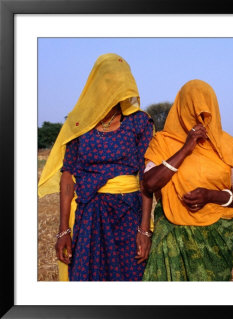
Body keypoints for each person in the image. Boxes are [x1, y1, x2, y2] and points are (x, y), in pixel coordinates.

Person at [38, 53, 154, 281]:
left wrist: (144, 230)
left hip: (128, 215)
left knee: (131, 278)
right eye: (109, 83)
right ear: (97, 85)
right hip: (89, 215)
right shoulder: (79, 124)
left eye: (120, 83)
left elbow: (146, 179)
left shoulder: (139, 121)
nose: (115, 89)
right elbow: (68, 176)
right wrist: (64, 230)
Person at [141, 79, 233, 281]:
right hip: (170, 235)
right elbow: (149, 183)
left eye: (204, 112)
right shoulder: (163, 142)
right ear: (180, 109)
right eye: (192, 111)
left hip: (215, 241)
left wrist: (211, 196)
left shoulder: (228, 146)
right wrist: (185, 149)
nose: (199, 119)